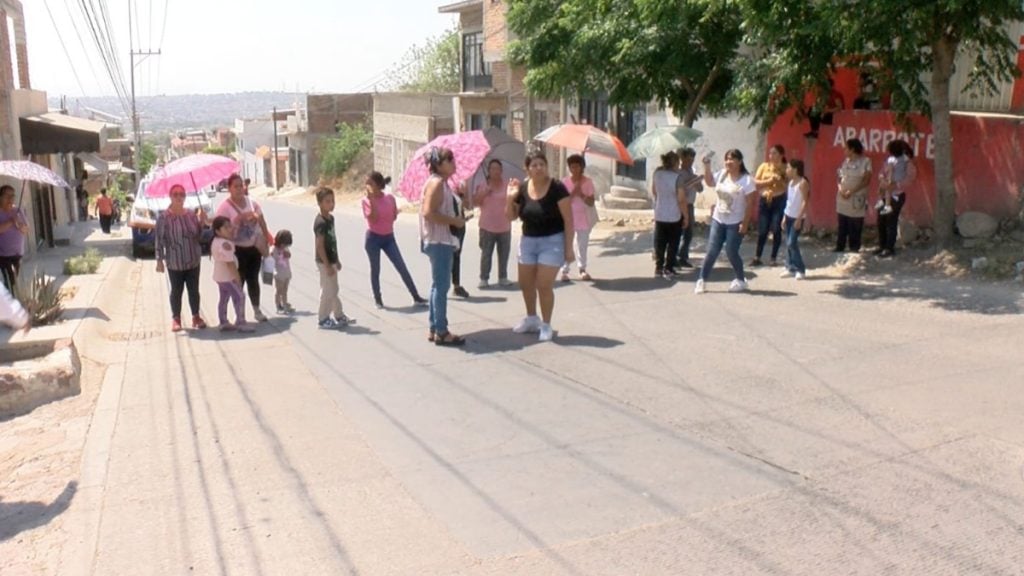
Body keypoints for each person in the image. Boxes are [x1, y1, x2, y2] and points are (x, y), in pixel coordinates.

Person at [507, 149, 574, 342]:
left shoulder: (557, 188)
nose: (538, 168)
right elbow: (511, 216)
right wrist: (509, 198)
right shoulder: (522, 188)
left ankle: (546, 324)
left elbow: (569, 220)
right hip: (528, 241)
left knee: (543, 285)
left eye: (541, 164)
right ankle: (531, 318)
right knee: (525, 283)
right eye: (534, 165)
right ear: (527, 169)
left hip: (552, 241)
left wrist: (568, 249)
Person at [420, 147, 466, 346]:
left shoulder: (442, 184)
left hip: (439, 240)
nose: (453, 162)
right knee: (442, 286)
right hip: (439, 240)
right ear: (439, 164)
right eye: (449, 159)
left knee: (437, 285)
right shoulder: (437, 183)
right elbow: (428, 213)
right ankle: (441, 330)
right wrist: (453, 222)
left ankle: (434, 327)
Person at [694, 149, 757, 294]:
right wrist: (707, 166)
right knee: (712, 251)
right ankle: (701, 280)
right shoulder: (722, 174)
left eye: (732, 159)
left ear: (740, 161)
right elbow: (709, 182)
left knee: (731, 251)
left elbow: (750, 203)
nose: (729, 162)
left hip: (735, 222)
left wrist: (745, 223)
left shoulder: (746, 180)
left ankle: (741, 280)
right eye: (727, 159)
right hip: (718, 219)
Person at [362, 171, 428, 309]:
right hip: (373, 238)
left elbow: (393, 218)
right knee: (375, 269)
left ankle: (415, 296)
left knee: (401, 266)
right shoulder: (366, 201)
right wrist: (372, 201)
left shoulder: (390, 198)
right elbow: (372, 218)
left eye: (370, 183)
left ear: (379, 185)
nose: (367, 185)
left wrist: (393, 213)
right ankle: (378, 299)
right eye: (366, 183)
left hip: (388, 238)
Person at [215, 173, 271, 322]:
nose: (240, 189)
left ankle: (257, 310)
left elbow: (262, 220)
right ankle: (239, 314)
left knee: (253, 279)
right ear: (229, 188)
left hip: (253, 248)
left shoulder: (251, 202)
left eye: (241, 186)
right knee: (238, 281)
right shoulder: (224, 208)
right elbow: (219, 229)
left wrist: (266, 238)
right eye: (236, 186)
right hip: (237, 250)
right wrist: (237, 221)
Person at [155, 184, 207, 332]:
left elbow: (197, 236)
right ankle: (176, 318)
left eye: (182, 194)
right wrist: (159, 259)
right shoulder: (164, 218)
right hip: (174, 261)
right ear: (170, 196)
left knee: (194, 290)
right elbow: (159, 239)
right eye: (175, 194)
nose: (179, 197)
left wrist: (202, 222)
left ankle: (196, 317)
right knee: (176, 291)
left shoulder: (191, 215)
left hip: (193, 259)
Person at [314, 186, 355, 329]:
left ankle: (339, 315)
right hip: (323, 261)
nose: (331, 204)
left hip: (331, 260)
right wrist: (327, 265)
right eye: (327, 201)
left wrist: (336, 260)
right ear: (319, 203)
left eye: (332, 201)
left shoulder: (330, 219)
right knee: (327, 291)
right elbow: (320, 246)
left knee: (334, 289)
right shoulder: (320, 222)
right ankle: (323, 318)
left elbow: (332, 241)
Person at [473, 159, 513, 288]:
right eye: (493, 169)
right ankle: (484, 278)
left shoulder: (508, 185)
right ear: (489, 171)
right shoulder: (483, 185)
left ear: (501, 171)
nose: (495, 171)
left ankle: (503, 277)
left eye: (498, 169)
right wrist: (484, 192)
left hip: (504, 225)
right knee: (486, 254)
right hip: (487, 226)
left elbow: (513, 200)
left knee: (504, 254)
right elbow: (476, 202)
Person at [210, 216, 253, 332]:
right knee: (240, 296)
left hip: (220, 276)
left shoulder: (216, 241)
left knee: (224, 298)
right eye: (226, 227)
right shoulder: (225, 244)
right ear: (218, 231)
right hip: (228, 277)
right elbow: (230, 263)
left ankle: (223, 321)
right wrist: (237, 277)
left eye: (230, 226)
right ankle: (240, 322)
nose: (230, 229)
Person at [875, 139, 917, 258]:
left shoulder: (907, 163)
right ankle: (882, 246)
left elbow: (910, 178)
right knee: (881, 221)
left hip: (897, 195)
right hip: (884, 194)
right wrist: (882, 179)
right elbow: (881, 172)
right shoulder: (889, 160)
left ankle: (889, 248)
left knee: (891, 221)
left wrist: (896, 185)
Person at [560, 154, 597, 282]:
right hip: (569, 218)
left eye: (577, 166)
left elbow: (591, 202)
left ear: (582, 167)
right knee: (567, 244)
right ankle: (564, 270)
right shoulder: (564, 182)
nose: (574, 169)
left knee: (582, 245)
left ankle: (582, 269)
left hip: (584, 218)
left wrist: (580, 194)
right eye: (572, 167)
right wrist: (572, 194)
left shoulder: (588, 182)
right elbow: (562, 202)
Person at [651, 151, 688, 277]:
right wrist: (686, 216)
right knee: (673, 242)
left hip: (660, 212)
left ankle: (658, 267)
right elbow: (681, 199)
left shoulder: (657, 174)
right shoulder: (677, 178)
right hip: (674, 215)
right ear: (676, 163)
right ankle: (669, 268)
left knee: (660, 242)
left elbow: (654, 191)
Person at [752, 144, 788, 266]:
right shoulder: (764, 166)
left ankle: (773, 258)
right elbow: (755, 183)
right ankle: (757, 256)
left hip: (779, 199)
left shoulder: (785, 168)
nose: (771, 156)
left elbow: (788, 186)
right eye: (770, 153)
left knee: (776, 228)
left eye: (774, 153)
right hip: (765, 199)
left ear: (781, 155)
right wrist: (768, 181)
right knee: (762, 230)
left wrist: (780, 181)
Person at [835, 138, 872, 253]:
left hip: (856, 198)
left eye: (846, 148)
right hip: (843, 198)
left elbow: (866, 180)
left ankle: (854, 247)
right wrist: (840, 189)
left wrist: (851, 192)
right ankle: (839, 246)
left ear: (852, 149)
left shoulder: (866, 161)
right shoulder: (845, 161)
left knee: (855, 225)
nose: (844, 150)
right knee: (842, 224)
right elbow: (840, 177)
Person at [780, 159, 811, 280]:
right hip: (788, 215)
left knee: (791, 243)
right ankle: (790, 267)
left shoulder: (803, 183)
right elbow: (789, 201)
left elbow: (805, 201)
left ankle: (800, 269)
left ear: (795, 169)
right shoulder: (791, 182)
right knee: (788, 243)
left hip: (797, 217)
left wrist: (799, 218)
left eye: (788, 168)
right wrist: (784, 216)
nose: (786, 170)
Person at [675, 148, 702, 268]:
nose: (690, 162)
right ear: (682, 159)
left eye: (692, 160)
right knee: (678, 231)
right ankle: (673, 257)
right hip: (680, 204)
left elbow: (700, 190)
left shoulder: (692, 171)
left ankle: (683, 256)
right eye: (688, 160)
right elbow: (680, 189)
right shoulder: (678, 173)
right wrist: (691, 181)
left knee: (689, 233)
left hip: (690, 205)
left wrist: (697, 182)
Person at [0, 184, 28, 292]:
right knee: (11, 281)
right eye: (7, 196)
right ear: (0, 197)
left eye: (13, 196)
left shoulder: (17, 210)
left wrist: (20, 224)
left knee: (14, 281)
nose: (10, 199)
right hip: (4, 255)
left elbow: (26, 229)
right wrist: (11, 221)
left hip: (17, 254)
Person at [450, 182, 470, 299]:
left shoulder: (460, 183)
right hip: (449, 225)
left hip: (460, 225)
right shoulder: (440, 185)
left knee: (456, 255)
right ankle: (440, 285)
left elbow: (467, 205)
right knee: (447, 257)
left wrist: (462, 195)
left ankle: (456, 286)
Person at [271, 229, 294, 314]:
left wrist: (287, 254)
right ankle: (278, 305)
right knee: (279, 290)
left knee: (285, 290)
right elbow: (272, 257)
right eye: (283, 244)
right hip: (278, 274)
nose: (284, 246)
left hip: (286, 272)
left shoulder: (286, 248)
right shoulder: (274, 249)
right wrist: (278, 255)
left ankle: (285, 305)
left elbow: (289, 255)